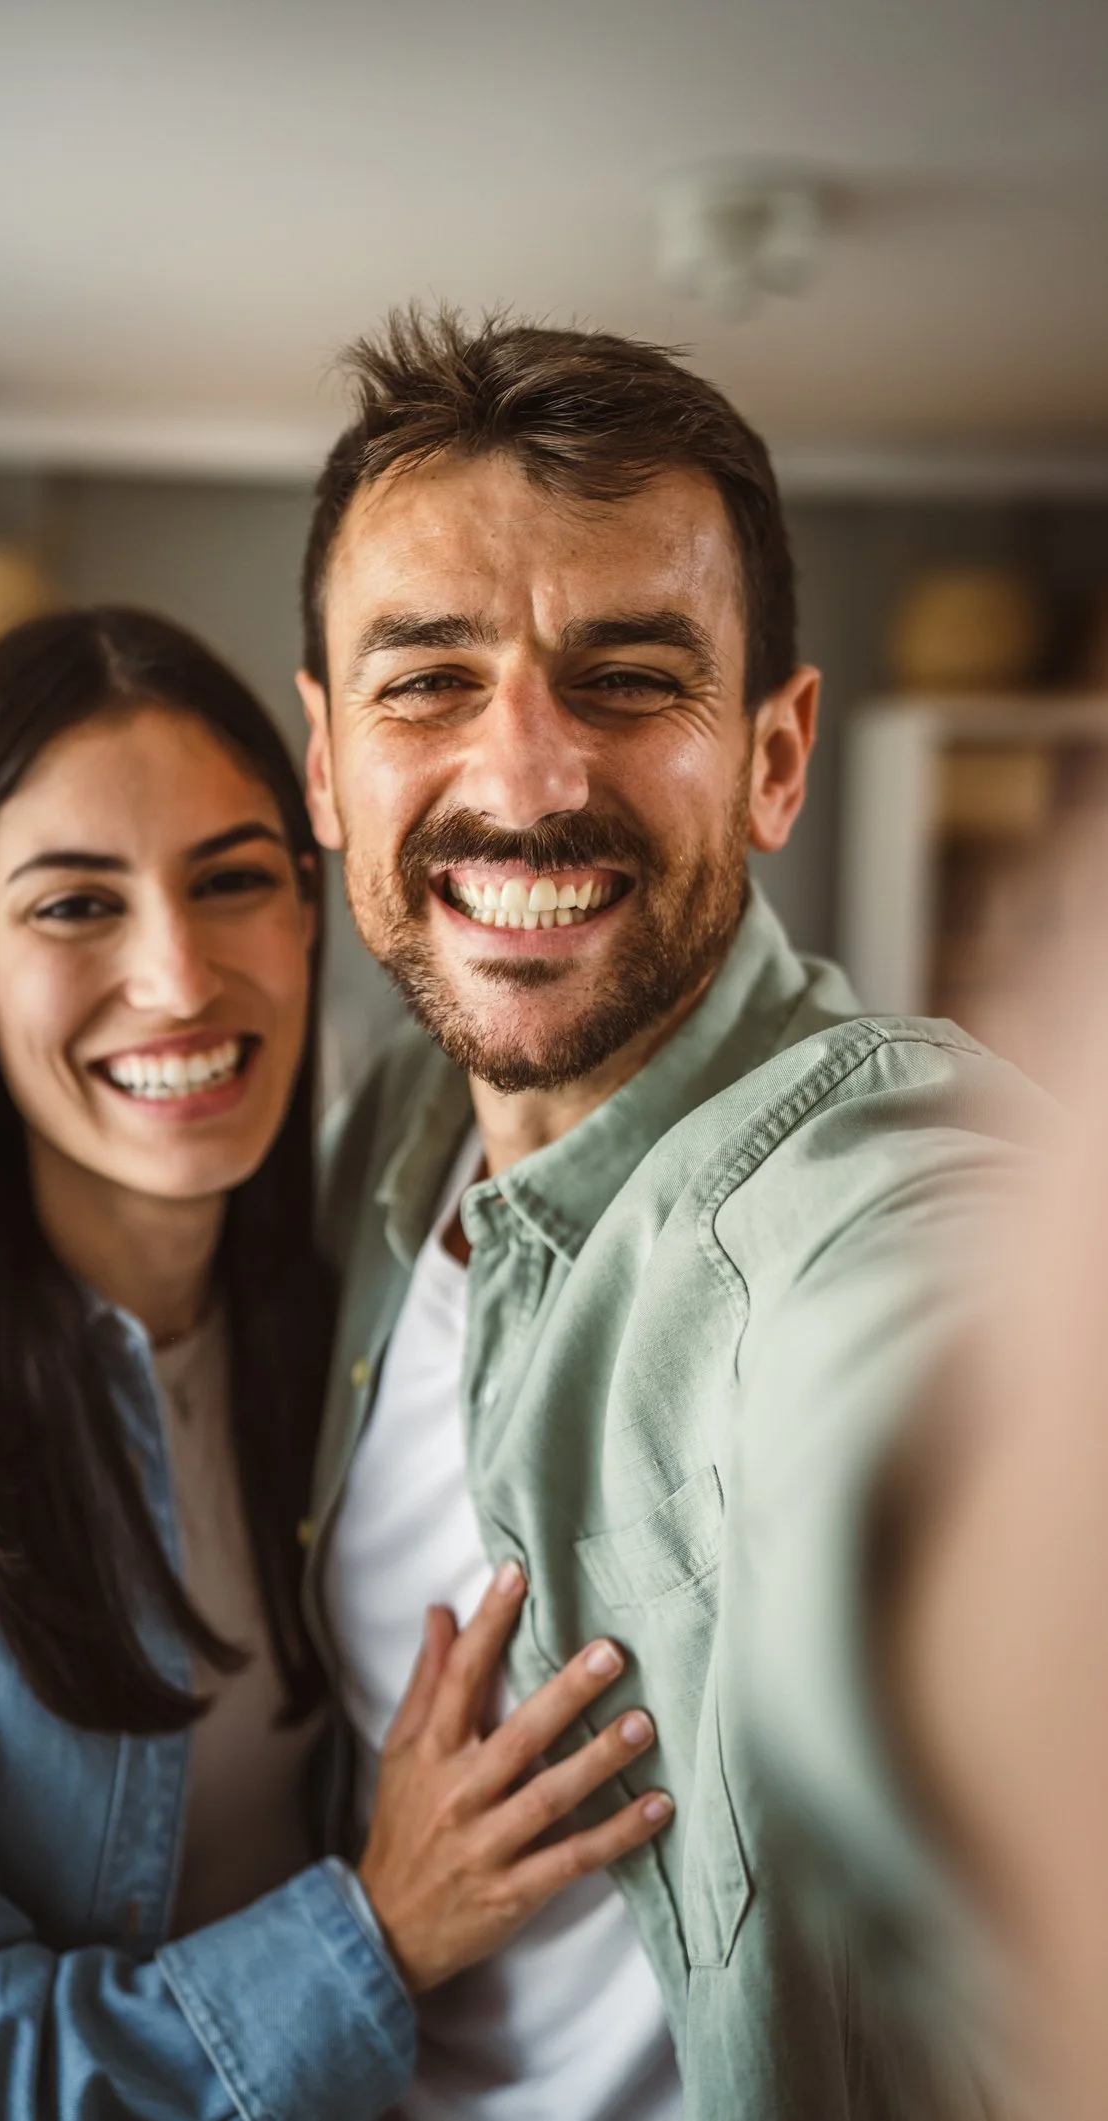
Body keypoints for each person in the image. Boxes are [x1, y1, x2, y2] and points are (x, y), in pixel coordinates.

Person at [0, 606, 675, 2120]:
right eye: (73, 907)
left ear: (309, 911)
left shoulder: (350, 1320)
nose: (177, 978)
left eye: (231, 881)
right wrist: (368, 1934)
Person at [296, 310, 1044, 2120]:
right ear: (324, 764)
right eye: (426, 681)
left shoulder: (853, 1175)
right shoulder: (381, 1138)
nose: (527, 775)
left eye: (629, 676)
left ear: (776, 758)